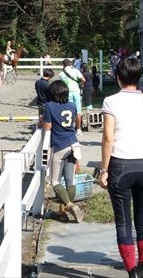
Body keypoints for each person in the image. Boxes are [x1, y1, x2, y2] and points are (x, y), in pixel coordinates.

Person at [98, 56, 143, 278]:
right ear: (139, 78)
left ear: (118, 78)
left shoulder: (110, 102)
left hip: (120, 166)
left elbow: (108, 138)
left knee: (123, 221)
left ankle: (132, 271)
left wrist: (104, 170)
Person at [42, 80, 85, 223]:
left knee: (54, 181)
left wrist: (41, 121)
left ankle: (70, 205)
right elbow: (72, 123)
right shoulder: (72, 106)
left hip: (60, 145)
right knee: (69, 180)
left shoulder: (49, 106)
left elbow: (48, 127)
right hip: (74, 144)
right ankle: (64, 211)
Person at [59, 59, 86, 134]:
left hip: (67, 93)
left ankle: (71, 127)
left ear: (63, 65)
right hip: (76, 92)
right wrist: (81, 84)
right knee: (78, 111)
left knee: (69, 110)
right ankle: (78, 129)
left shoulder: (61, 74)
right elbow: (83, 80)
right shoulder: (75, 71)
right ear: (70, 64)